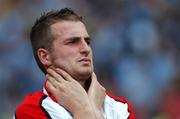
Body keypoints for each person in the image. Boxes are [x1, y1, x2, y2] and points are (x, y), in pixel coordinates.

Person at [14, 8, 135, 119]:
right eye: (73, 42)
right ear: (45, 56)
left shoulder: (121, 108)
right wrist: (84, 110)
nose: (86, 49)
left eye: (87, 42)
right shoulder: (30, 111)